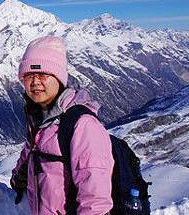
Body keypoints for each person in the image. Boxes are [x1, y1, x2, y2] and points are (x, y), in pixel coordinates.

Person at [11, 36, 114, 215]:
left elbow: (95, 201)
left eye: (42, 75)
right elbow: (31, 151)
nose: (35, 82)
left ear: (58, 78)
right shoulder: (39, 119)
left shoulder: (82, 126)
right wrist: (18, 179)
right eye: (28, 75)